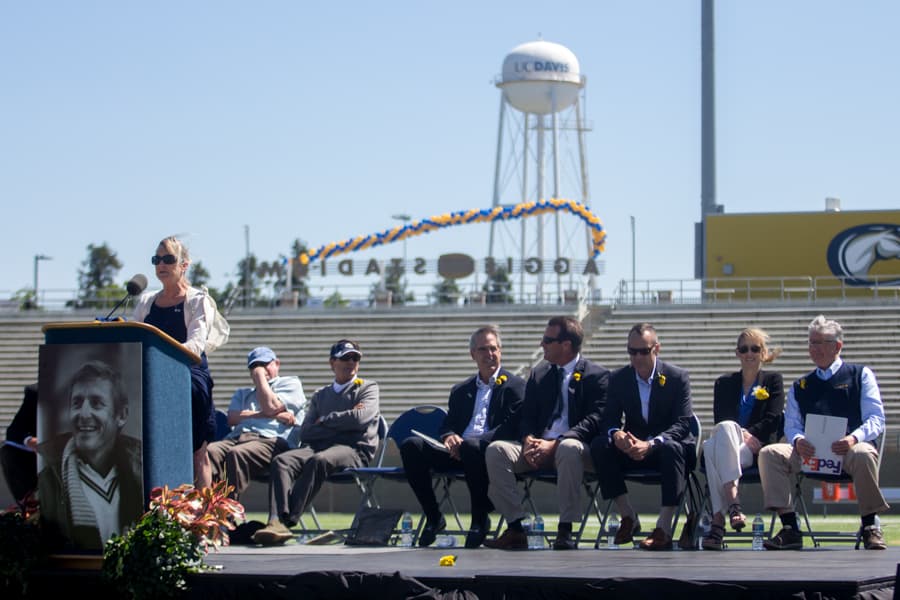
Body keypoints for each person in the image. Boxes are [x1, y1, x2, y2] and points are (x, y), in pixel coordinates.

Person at [758, 314, 889, 550]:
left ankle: (870, 525)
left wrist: (853, 438)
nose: (814, 348)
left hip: (849, 451)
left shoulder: (860, 375)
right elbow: (792, 424)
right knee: (770, 453)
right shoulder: (801, 385)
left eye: (820, 342)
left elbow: (876, 419)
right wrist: (797, 440)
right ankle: (790, 527)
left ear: (837, 346)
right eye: (811, 343)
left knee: (862, 453)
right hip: (811, 452)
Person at [485, 316, 609, 550]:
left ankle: (566, 530)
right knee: (496, 451)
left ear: (566, 345)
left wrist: (556, 442)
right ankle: (515, 527)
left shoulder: (597, 376)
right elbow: (528, 417)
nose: (541, 345)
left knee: (568, 448)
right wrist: (528, 439)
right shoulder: (538, 374)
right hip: (539, 447)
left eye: (547, 340)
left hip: (578, 450)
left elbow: (595, 420)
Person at [399, 325, 526, 548]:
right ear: (472, 355)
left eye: (494, 348)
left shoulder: (515, 386)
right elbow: (448, 424)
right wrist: (449, 437)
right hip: (460, 449)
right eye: (483, 350)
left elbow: (510, 427)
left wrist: (472, 442)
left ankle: (479, 520)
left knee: (472, 448)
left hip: (490, 452)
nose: (490, 355)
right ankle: (434, 518)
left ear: (501, 351)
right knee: (412, 446)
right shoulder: (461, 389)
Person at [252, 339, 381, 546]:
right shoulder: (321, 395)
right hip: (319, 447)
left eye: (355, 358)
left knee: (320, 459)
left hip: (354, 450)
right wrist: (341, 423)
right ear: (332, 363)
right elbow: (307, 432)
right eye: (345, 358)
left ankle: (285, 521)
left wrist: (327, 421)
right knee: (282, 461)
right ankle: (276, 520)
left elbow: (360, 419)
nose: (351, 362)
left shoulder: (367, 388)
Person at [590, 322, 695, 551]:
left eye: (643, 351)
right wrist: (616, 434)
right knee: (600, 445)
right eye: (632, 351)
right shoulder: (618, 378)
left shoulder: (677, 378)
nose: (637, 357)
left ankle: (664, 528)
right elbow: (608, 420)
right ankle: (628, 516)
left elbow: (682, 423)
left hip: (665, 448)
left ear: (656, 349)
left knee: (672, 449)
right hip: (633, 447)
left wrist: (651, 444)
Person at [133, 235, 222, 488]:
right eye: (157, 259)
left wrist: (163, 361)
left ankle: (205, 520)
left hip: (189, 377)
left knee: (198, 454)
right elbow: (134, 339)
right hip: (151, 380)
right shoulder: (145, 302)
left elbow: (195, 345)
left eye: (168, 259)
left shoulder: (197, 301)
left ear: (184, 265)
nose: (161, 264)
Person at [37, 360, 143, 550]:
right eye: (77, 403)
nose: (84, 414)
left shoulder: (141, 472)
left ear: (122, 415)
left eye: (96, 403)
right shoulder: (49, 481)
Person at [700, 327, 785, 550]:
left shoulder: (773, 380)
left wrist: (748, 434)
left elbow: (773, 418)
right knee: (718, 437)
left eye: (755, 348)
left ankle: (718, 522)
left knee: (711, 448)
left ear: (763, 352)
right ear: (737, 353)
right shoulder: (724, 383)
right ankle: (734, 504)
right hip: (732, 444)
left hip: (756, 449)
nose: (750, 353)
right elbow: (722, 419)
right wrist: (741, 433)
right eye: (744, 349)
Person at [207, 346, 307, 501]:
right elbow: (232, 418)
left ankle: (228, 511)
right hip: (239, 437)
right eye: (254, 366)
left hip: (272, 441)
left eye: (264, 364)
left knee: (237, 453)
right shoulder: (242, 393)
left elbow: (271, 406)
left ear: (277, 364)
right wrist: (268, 415)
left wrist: (260, 377)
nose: (259, 369)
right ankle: (210, 507)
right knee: (211, 451)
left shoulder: (290, 384)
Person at [1, 383, 39, 506]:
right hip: (45, 456)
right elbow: (13, 431)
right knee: (8, 451)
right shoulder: (37, 392)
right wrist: (30, 441)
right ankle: (29, 503)